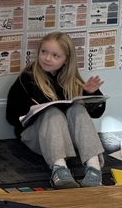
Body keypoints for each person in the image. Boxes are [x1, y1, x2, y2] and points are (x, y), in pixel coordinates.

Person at [6, 32, 106, 189]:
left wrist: (90, 94)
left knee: (77, 109)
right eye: (44, 52)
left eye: (55, 55)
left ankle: (94, 168)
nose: (47, 58)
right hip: (38, 137)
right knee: (52, 113)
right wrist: (35, 111)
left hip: (68, 140)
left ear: (66, 60)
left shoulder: (72, 81)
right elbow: (11, 117)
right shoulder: (27, 79)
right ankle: (59, 169)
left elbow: (96, 113)